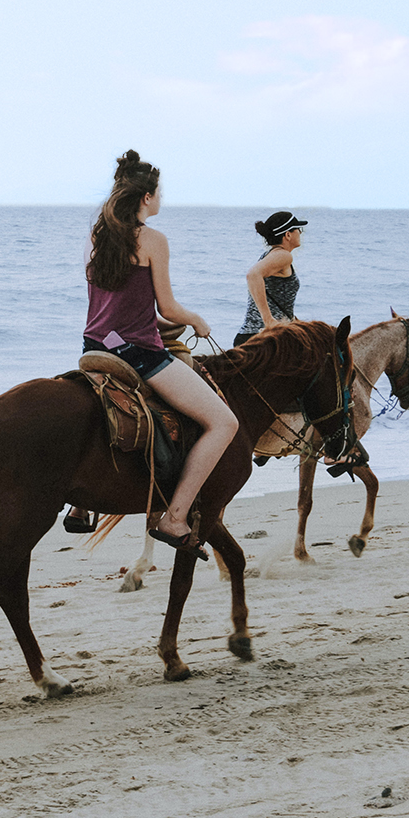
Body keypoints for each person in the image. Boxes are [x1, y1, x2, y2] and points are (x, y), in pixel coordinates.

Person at [81, 150, 239, 550]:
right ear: (147, 197)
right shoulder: (153, 240)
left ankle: (81, 506)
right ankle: (175, 517)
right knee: (224, 424)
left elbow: (117, 307)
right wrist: (195, 320)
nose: (161, 199)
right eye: (159, 193)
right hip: (138, 354)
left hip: (94, 346)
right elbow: (167, 308)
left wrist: (166, 322)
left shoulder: (96, 237)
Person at [234, 210, 307, 346]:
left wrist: (294, 322)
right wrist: (268, 320)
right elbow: (253, 275)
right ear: (288, 234)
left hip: (253, 336)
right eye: (298, 229)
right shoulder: (283, 256)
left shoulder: (271, 255)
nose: (301, 233)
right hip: (263, 340)